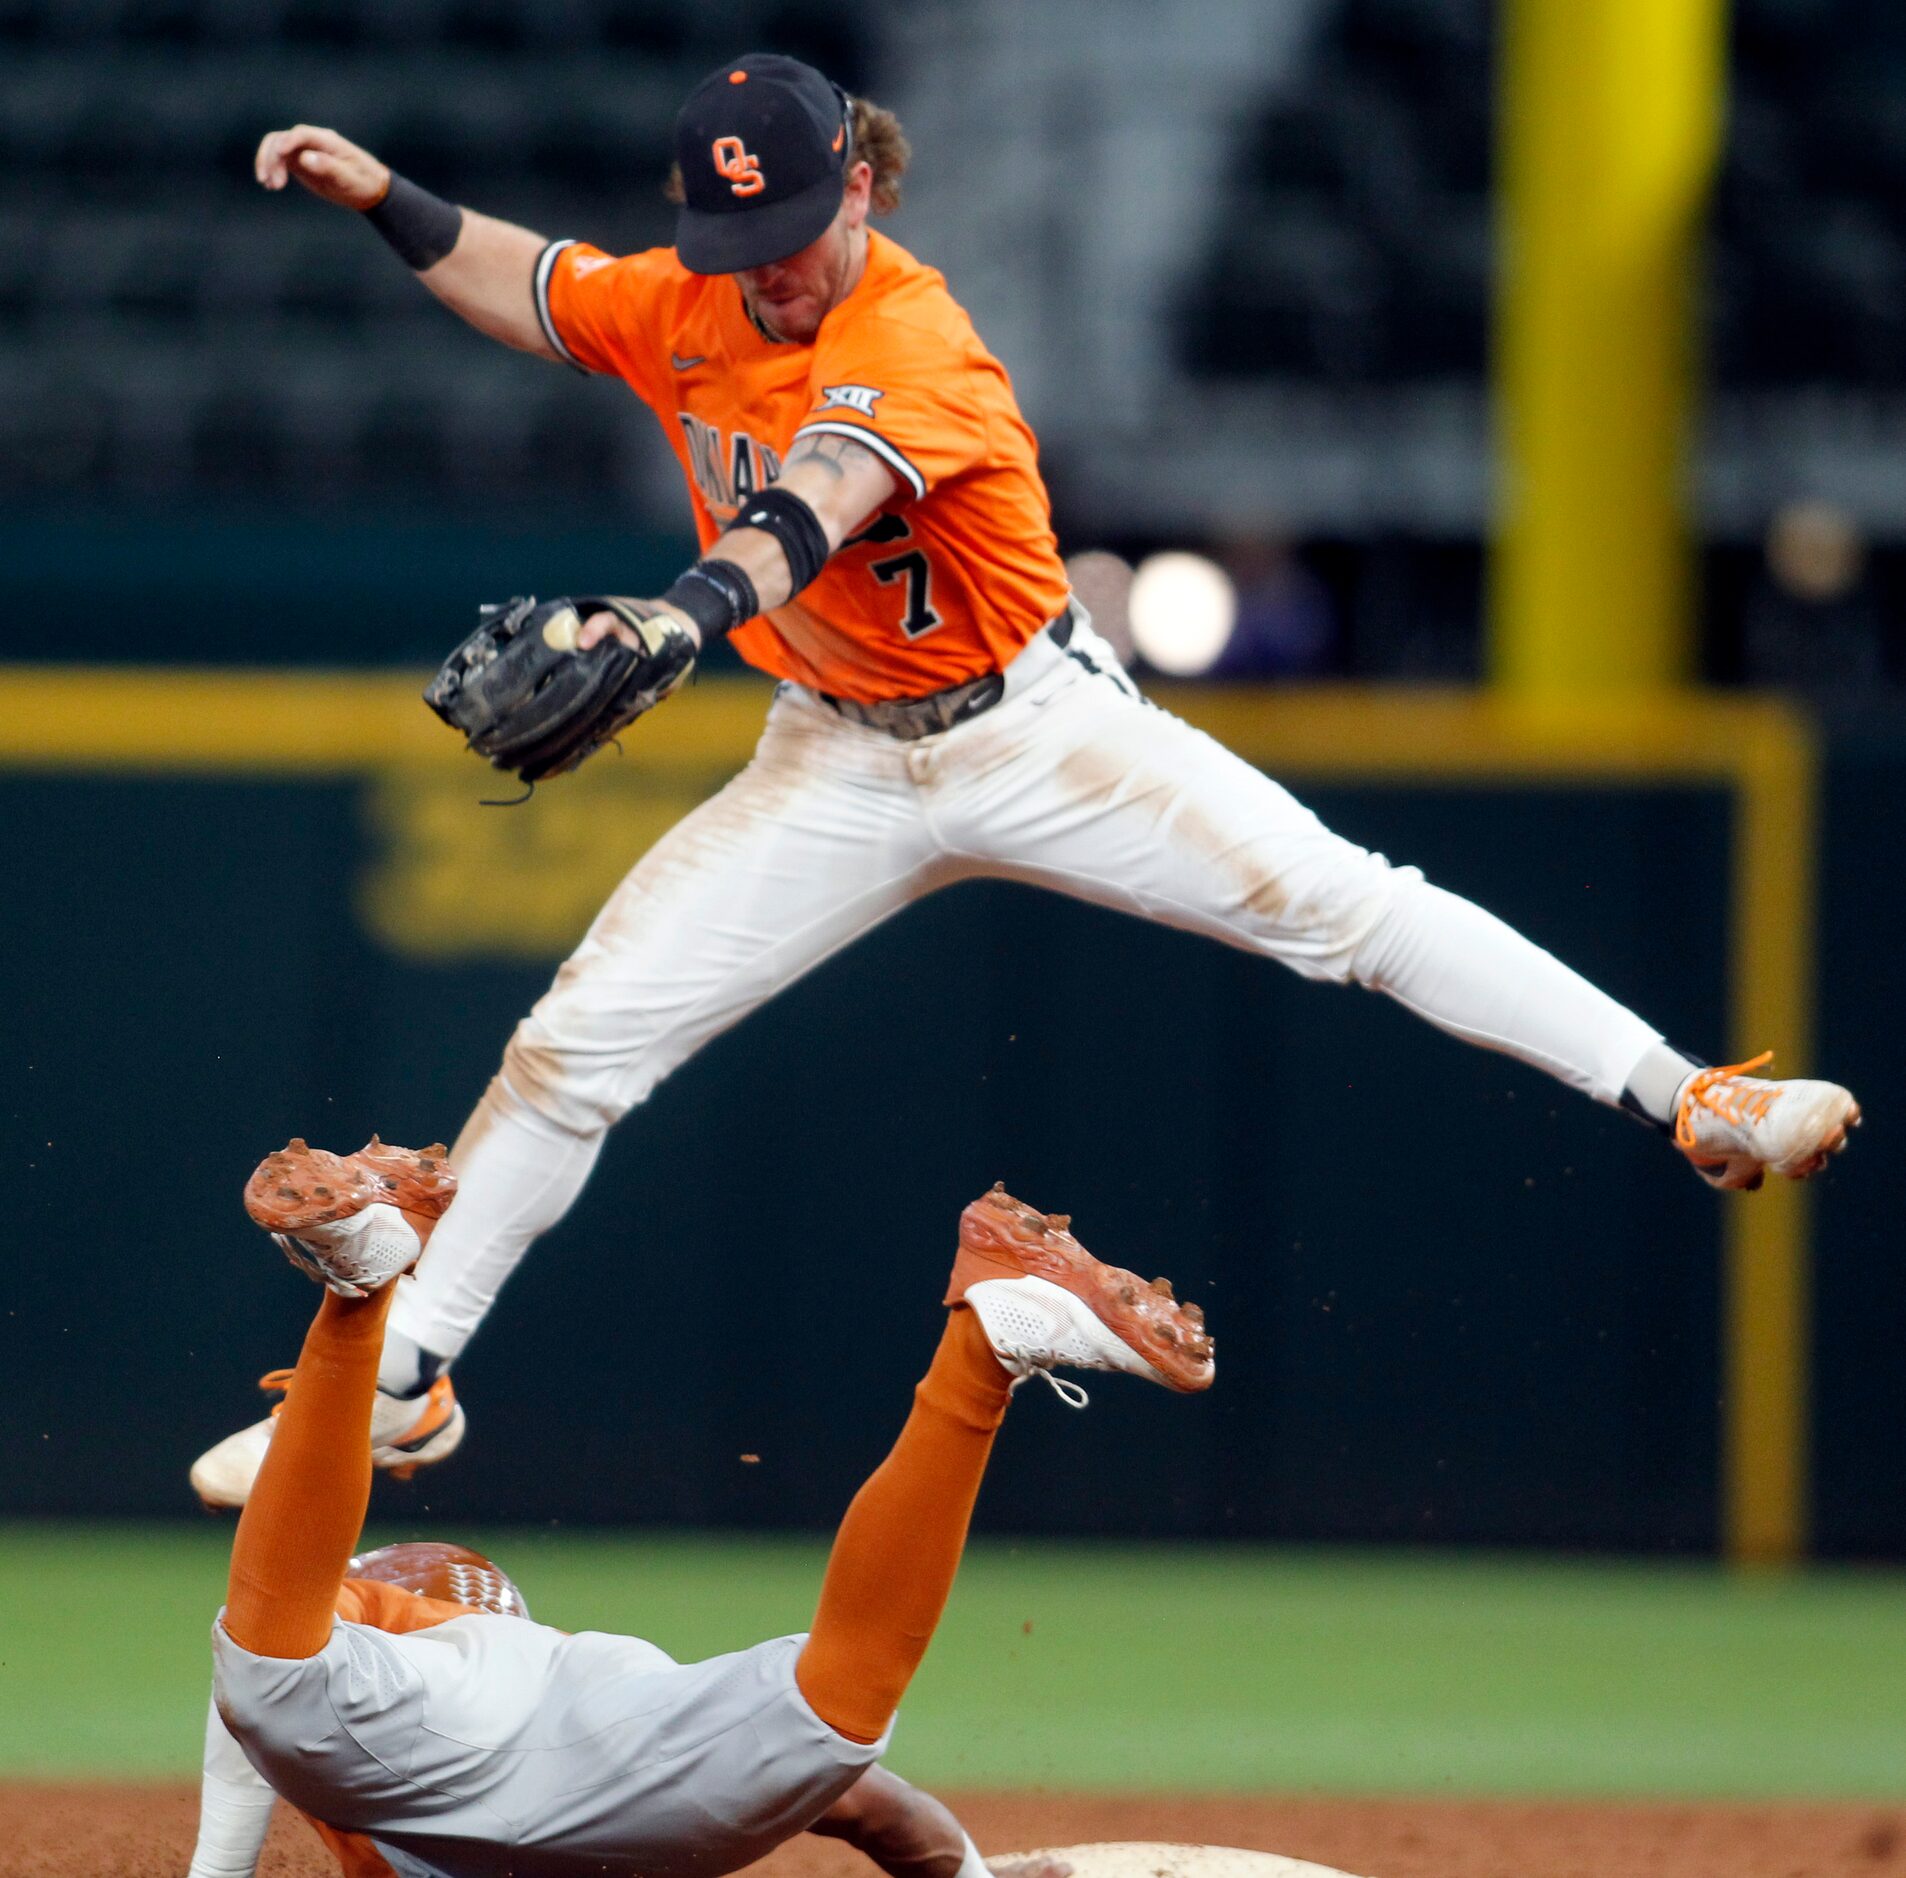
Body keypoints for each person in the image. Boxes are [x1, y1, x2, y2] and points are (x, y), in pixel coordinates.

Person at [192, 54, 1857, 1508]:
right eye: (733, 247)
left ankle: (1681, 1091)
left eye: (786, 242)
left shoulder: (911, 329)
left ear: (854, 183)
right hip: (831, 756)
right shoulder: (695, 298)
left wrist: (675, 612)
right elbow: (539, 283)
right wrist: (381, 197)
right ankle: (405, 1384)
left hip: (1037, 730)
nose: (763, 279)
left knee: (1349, 908)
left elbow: (817, 500)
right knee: (571, 1048)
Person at [191, 1136, 1211, 1878]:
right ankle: (987, 1342)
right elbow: (893, 1819)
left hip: (488, 1753)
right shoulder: (571, 1663)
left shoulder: (394, 1643)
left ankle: (360, 1296)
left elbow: (262, 1673)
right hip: (634, 1765)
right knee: (836, 1715)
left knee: (272, 1667)